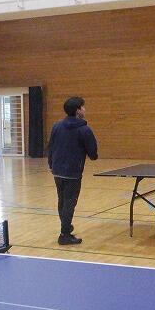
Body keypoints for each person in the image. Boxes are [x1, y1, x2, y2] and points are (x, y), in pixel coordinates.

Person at [47, 97, 98, 245]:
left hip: (57, 170)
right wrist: (92, 153)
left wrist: (51, 164)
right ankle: (64, 234)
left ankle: (66, 226)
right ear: (78, 110)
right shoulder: (84, 129)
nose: (85, 109)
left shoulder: (56, 126)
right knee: (69, 202)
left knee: (62, 201)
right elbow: (93, 153)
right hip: (73, 172)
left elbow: (50, 147)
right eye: (83, 107)